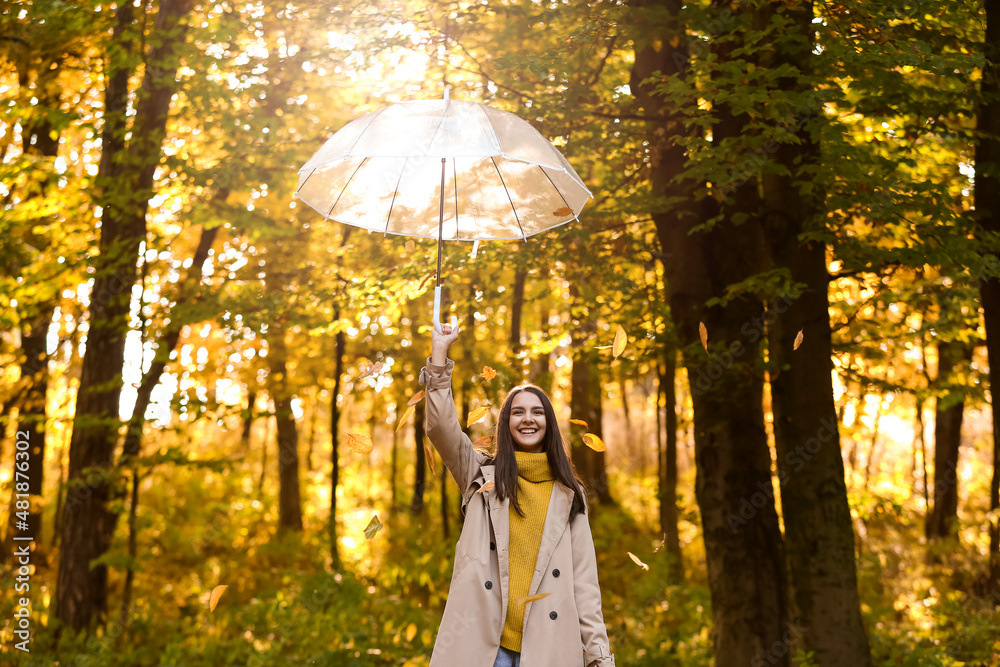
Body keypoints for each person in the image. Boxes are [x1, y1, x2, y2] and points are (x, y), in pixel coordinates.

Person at [419, 321, 615, 667]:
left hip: (547, 652)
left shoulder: (570, 494)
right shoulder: (481, 475)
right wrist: (439, 354)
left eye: (537, 412)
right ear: (506, 422)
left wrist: (599, 655)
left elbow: (585, 585)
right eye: (518, 412)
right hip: (485, 648)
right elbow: (440, 427)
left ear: (548, 423)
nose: (528, 419)